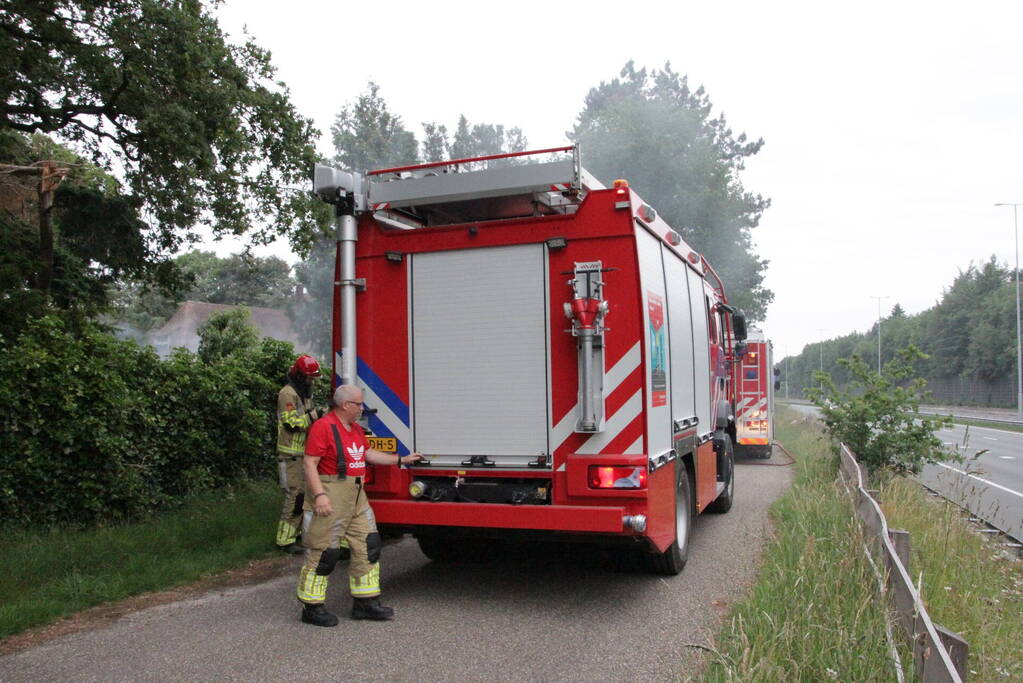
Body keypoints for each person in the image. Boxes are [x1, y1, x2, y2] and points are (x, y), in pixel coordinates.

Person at [296, 384, 424, 626]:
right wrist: (320, 495)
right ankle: (311, 608)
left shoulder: (354, 430)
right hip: (331, 493)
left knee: (369, 545)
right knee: (324, 552)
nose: (362, 408)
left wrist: (401, 460)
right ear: (346, 405)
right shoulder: (323, 427)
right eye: (358, 404)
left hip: (356, 495)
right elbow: (309, 464)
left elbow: (367, 455)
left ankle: (365, 603)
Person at [274, 354, 321, 554]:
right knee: (295, 496)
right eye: (309, 378)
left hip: (303, 454)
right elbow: (291, 424)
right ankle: (284, 540)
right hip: (290, 455)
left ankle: (297, 533)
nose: (311, 381)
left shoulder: (304, 393)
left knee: (304, 496)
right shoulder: (288, 394)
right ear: (301, 376)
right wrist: (314, 416)